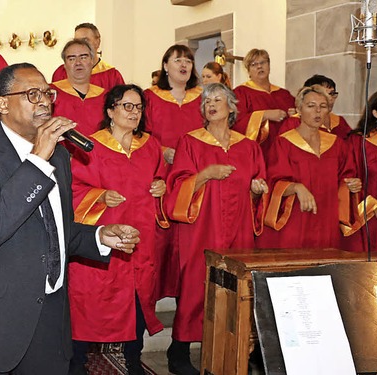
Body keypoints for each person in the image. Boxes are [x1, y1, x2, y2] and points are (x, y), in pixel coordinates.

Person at [0, 63, 141, 375]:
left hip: (48, 321)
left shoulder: (59, 155)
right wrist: (36, 161)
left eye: (47, 93)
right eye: (32, 94)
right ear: (2, 104)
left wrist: (98, 237)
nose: (45, 101)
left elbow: (54, 230)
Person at [165, 83, 268, 375]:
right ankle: (180, 350)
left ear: (232, 107)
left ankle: (235, 351)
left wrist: (258, 190)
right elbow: (177, 186)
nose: (210, 104)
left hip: (239, 229)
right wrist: (205, 174)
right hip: (201, 227)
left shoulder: (248, 146)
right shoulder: (190, 142)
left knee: (236, 288)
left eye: (217, 99)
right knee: (196, 286)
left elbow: (259, 183)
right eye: (206, 100)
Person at [67, 84, 168, 375]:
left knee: (137, 302)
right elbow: (72, 188)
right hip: (102, 241)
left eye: (138, 107)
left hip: (140, 239)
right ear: (111, 110)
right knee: (90, 304)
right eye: (127, 106)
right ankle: (78, 363)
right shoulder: (91, 145)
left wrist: (161, 186)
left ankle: (134, 361)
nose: (134, 112)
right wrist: (98, 195)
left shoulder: (150, 146)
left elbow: (161, 178)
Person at [258, 85, 362, 249]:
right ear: (299, 108)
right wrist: (296, 187)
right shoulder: (284, 143)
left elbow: (345, 178)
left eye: (323, 107)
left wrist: (352, 185)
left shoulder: (337, 145)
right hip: (295, 219)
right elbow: (272, 182)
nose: (317, 112)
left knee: (325, 267)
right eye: (311, 106)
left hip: (326, 219)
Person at [144, 44, 202, 301]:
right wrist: (162, 150)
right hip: (161, 171)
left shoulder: (203, 97)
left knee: (190, 238)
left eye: (188, 61)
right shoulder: (150, 97)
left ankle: (187, 296)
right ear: (165, 66)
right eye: (178, 60)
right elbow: (140, 133)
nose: (184, 65)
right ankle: (154, 296)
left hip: (193, 175)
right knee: (162, 239)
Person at [233, 48, 295, 151]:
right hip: (259, 151)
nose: (259, 66)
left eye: (263, 62)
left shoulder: (284, 94)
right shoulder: (240, 93)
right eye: (253, 64)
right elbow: (236, 124)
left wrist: (295, 115)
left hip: (285, 150)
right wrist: (264, 115)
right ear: (248, 71)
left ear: (269, 66)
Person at [51, 39, 105, 151]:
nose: (78, 62)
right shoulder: (50, 94)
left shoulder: (105, 96)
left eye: (83, 57)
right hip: (60, 158)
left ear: (92, 61)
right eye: (71, 58)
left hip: (99, 160)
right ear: (65, 64)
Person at [347, 90, 377, 252]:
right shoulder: (359, 142)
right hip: (369, 216)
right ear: (375, 113)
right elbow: (350, 178)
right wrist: (373, 207)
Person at [51, 23, 125, 92]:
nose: (80, 45)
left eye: (85, 40)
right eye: (77, 41)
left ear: (97, 42)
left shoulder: (112, 76)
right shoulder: (61, 72)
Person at [278, 74, 351, 139]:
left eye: (332, 93)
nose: (330, 98)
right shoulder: (294, 123)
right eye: (324, 94)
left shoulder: (339, 121)